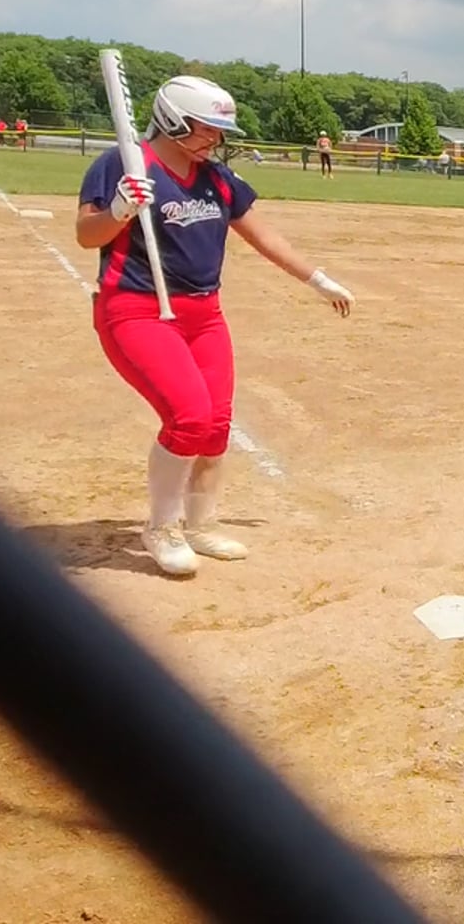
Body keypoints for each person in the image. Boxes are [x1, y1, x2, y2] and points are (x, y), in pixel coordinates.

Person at [74, 75, 355, 577]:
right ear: (174, 121)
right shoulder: (124, 164)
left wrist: (317, 279)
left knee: (216, 425)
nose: (216, 139)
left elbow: (264, 235)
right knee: (189, 417)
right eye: (206, 129)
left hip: (204, 315)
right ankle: (162, 527)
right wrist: (119, 210)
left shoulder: (217, 178)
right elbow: (86, 234)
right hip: (137, 309)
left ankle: (200, 524)